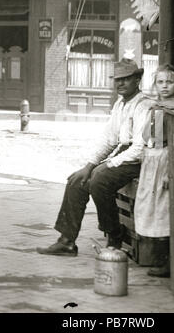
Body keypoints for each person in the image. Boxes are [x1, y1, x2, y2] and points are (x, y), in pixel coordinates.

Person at [37, 58, 153, 257]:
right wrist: (88, 166)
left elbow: (140, 149)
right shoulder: (120, 105)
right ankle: (66, 241)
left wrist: (107, 165)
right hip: (122, 155)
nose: (121, 84)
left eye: (126, 79)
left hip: (139, 160)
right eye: (117, 80)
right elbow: (109, 140)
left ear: (137, 79)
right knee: (77, 180)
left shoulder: (144, 105)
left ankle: (114, 235)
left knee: (99, 180)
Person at [134, 64, 174, 277]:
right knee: (150, 207)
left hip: (165, 159)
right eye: (160, 82)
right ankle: (156, 255)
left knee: (163, 209)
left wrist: (169, 171)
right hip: (151, 159)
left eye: (169, 82)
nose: (164, 86)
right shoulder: (154, 108)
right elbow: (147, 135)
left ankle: (167, 261)